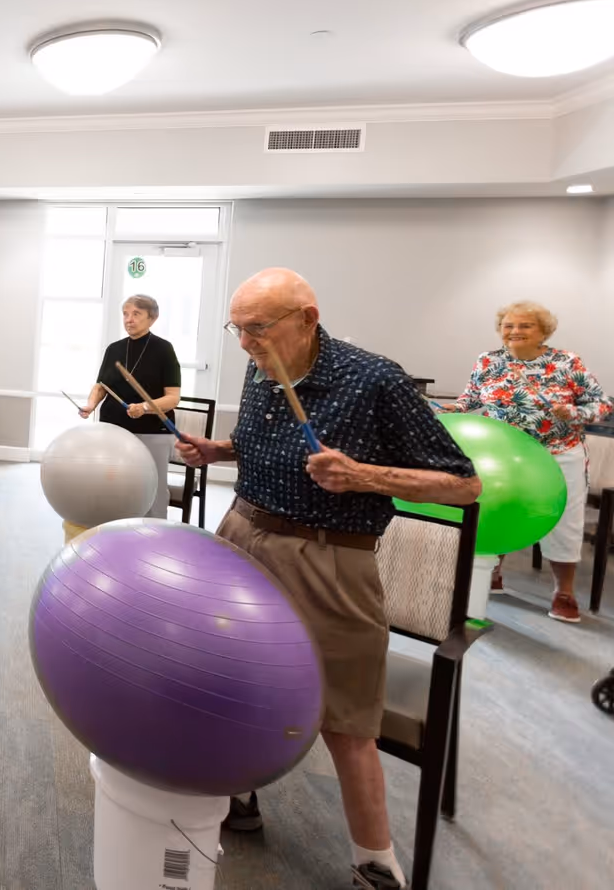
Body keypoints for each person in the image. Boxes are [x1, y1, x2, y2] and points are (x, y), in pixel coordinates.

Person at [175, 268, 480, 890]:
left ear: (307, 318)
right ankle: (241, 795)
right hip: (242, 535)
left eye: (257, 328)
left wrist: (365, 475)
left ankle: (375, 859)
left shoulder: (375, 379)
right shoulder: (263, 366)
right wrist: (219, 450)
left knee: (345, 718)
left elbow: (462, 483)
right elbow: (266, 444)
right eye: (239, 328)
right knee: (233, 683)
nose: (245, 343)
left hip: (329, 558)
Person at [445, 300, 608, 623]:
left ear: (543, 331)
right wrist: (454, 409)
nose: (514, 331)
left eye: (524, 326)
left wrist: (574, 413)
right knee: (499, 510)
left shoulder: (566, 362)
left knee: (563, 521)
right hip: (505, 454)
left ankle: (564, 591)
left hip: (559, 453)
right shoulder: (489, 361)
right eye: (508, 325)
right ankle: (494, 573)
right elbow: (471, 398)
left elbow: (601, 404)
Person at [76, 295, 181, 517]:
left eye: (136, 314)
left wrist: (143, 407)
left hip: (153, 431)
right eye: (125, 314)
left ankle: (155, 535)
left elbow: (172, 398)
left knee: (153, 487)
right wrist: (90, 404)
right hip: (113, 430)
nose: (129, 319)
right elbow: (101, 386)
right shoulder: (114, 349)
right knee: (113, 485)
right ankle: (115, 532)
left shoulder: (164, 349)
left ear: (152, 318)